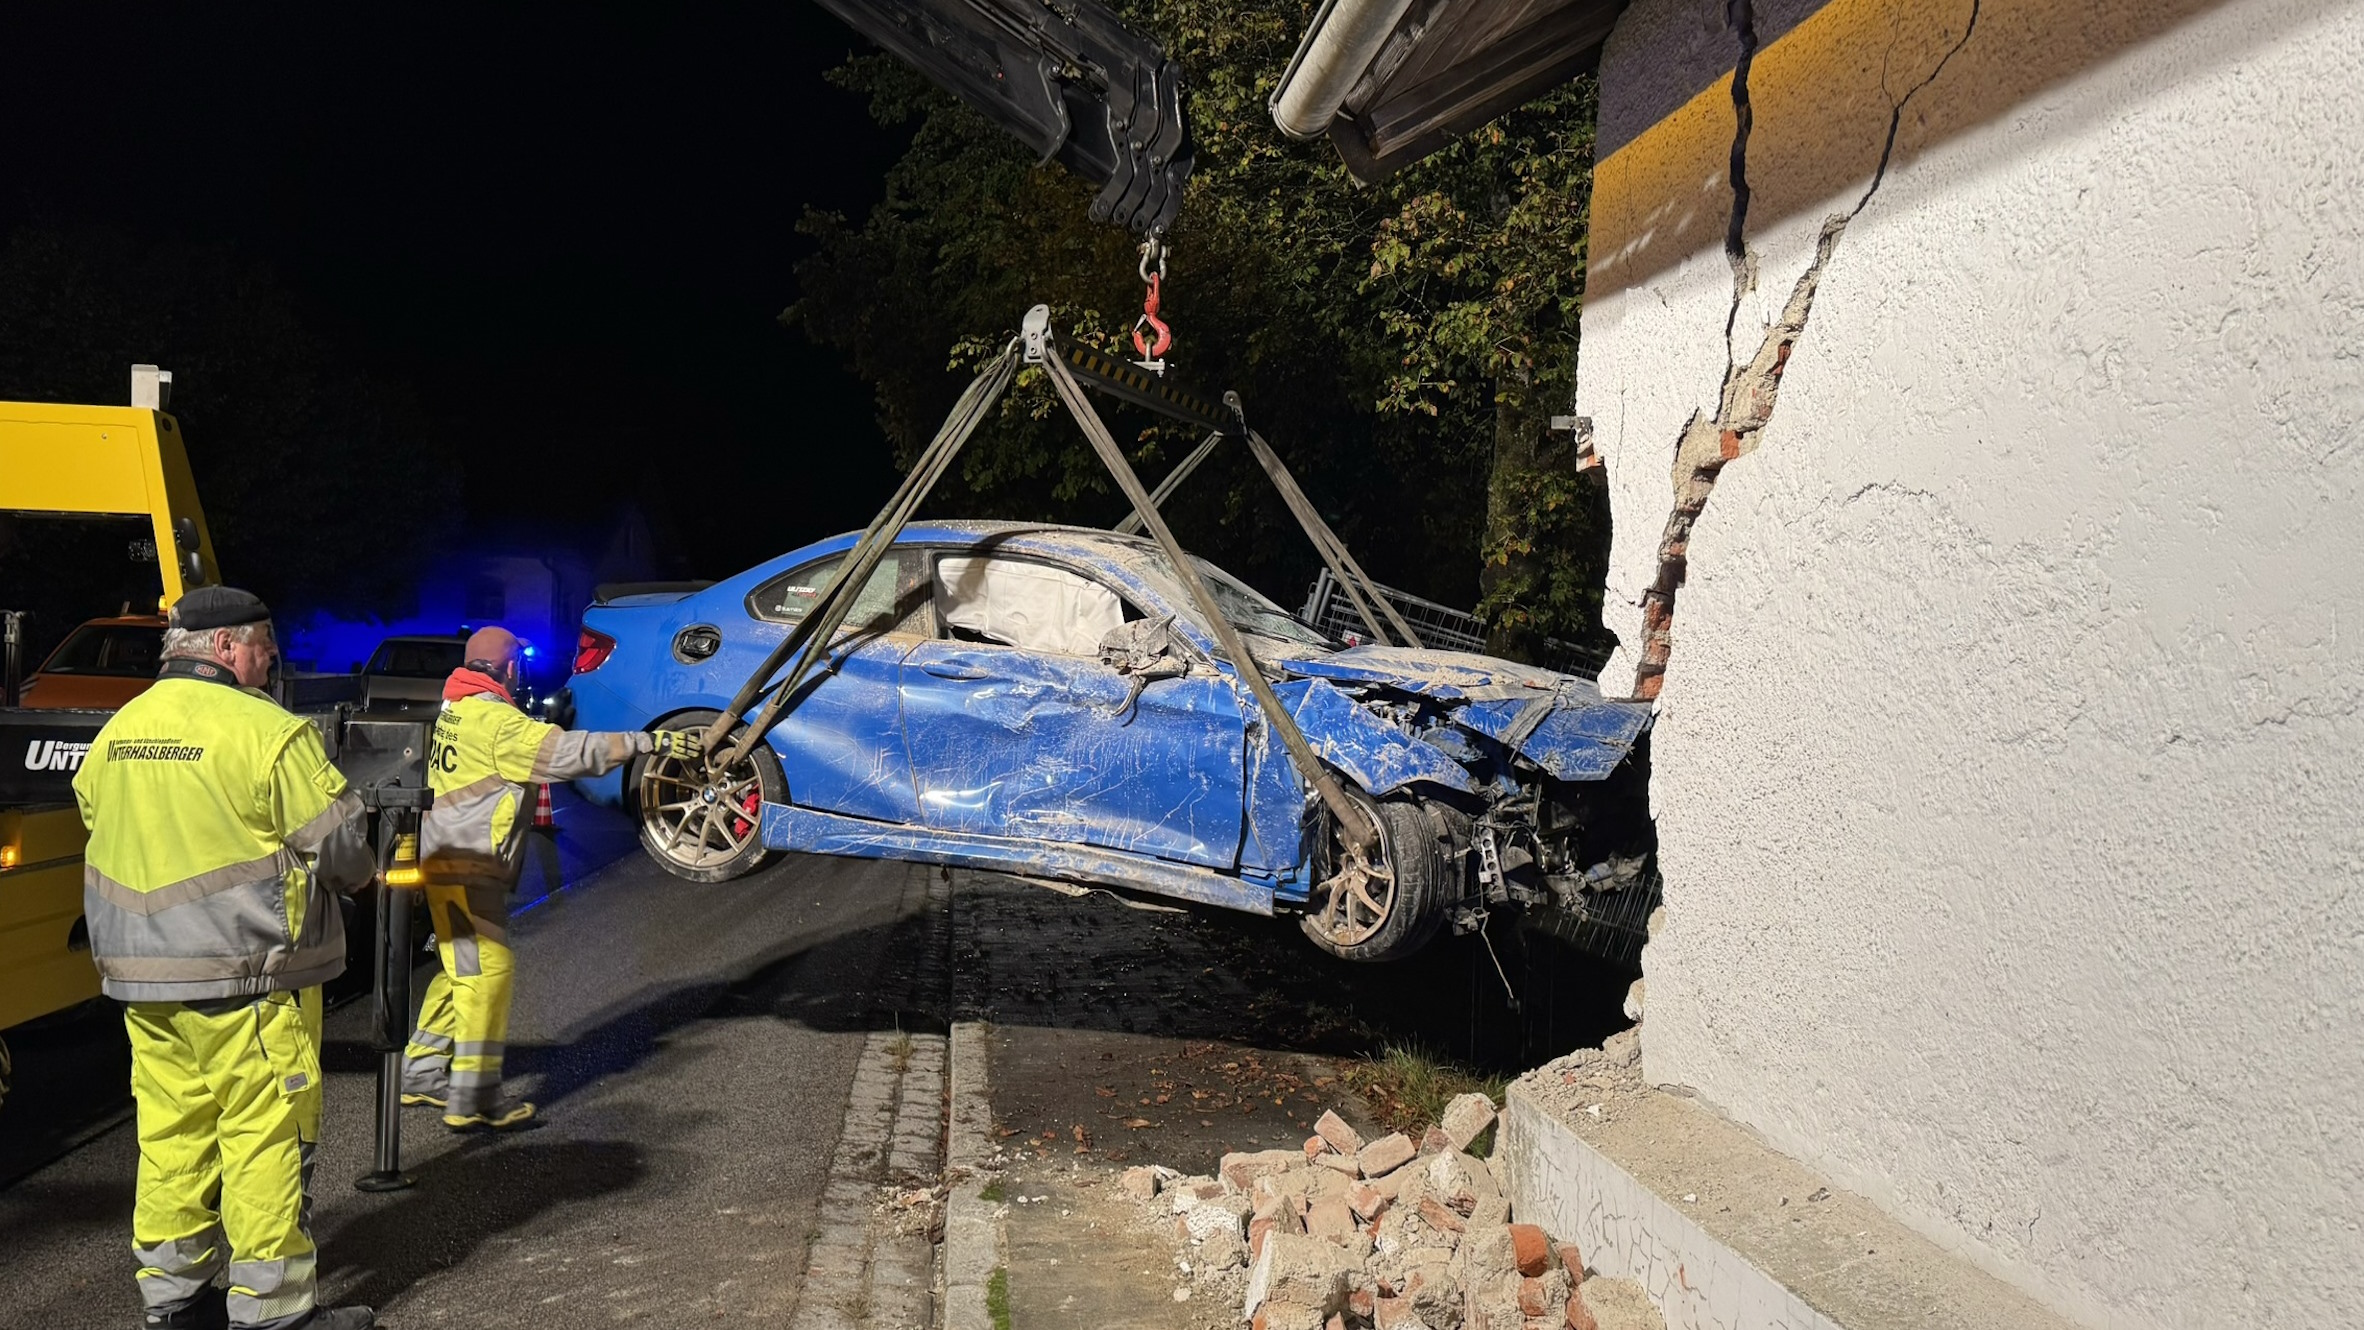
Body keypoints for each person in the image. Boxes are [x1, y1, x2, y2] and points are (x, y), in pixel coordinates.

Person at [73, 586, 376, 1330]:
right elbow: (339, 849)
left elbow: (94, 814)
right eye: (264, 648)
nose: (270, 662)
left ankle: (173, 1300)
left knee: (171, 1133)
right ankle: (274, 1313)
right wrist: (363, 874)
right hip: (245, 976)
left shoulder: (118, 730)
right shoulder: (265, 731)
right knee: (264, 1133)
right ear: (226, 649)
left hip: (142, 976)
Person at [399, 625, 700, 1130]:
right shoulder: (499, 723)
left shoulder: (455, 708)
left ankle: (423, 1072)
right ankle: (474, 1094)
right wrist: (649, 740)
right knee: (486, 973)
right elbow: (571, 754)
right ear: (510, 668)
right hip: (470, 863)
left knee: (460, 968)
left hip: (445, 857)